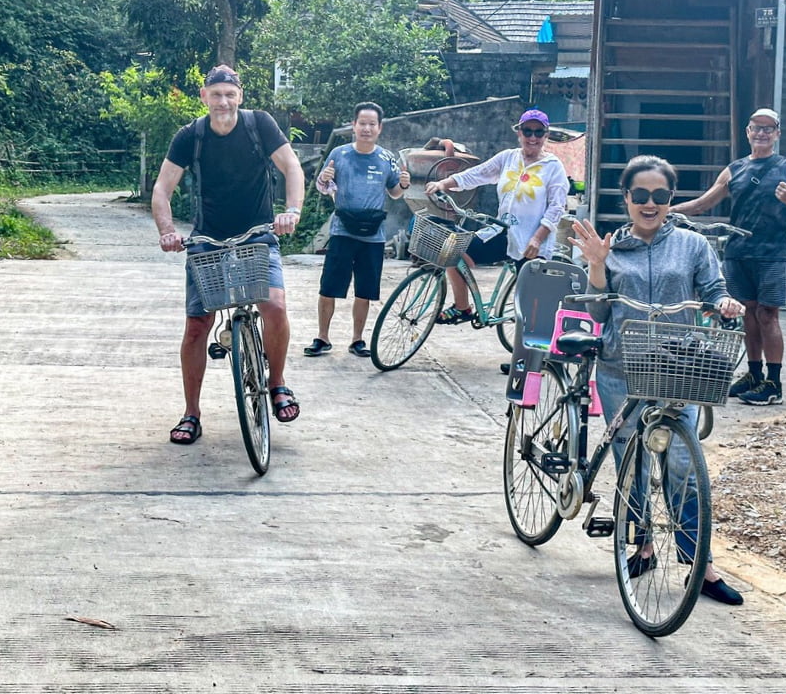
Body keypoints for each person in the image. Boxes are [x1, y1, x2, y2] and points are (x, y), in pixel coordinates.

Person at [570, 155, 746, 606]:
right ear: (626, 198)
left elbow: (714, 290)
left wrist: (725, 304)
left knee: (683, 466)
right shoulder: (610, 248)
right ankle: (642, 545)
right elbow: (596, 313)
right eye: (641, 195)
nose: (651, 204)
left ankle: (700, 564)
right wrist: (596, 266)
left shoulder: (691, 245)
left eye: (660, 196)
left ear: (671, 198)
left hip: (677, 366)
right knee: (632, 460)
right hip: (620, 369)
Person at [152, 65, 305, 444]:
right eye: (216, 94)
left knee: (275, 306)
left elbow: (291, 167)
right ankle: (191, 412)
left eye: (229, 94)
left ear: (240, 96)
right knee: (197, 326)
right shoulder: (191, 136)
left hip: (257, 235)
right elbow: (162, 188)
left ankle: (278, 382)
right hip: (208, 239)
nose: (223, 101)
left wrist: (293, 211)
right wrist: (168, 232)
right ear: (204, 97)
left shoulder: (260, 125)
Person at [670, 108, 786, 406]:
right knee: (747, 314)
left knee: (768, 315)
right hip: (738, 253)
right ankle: (754, 374)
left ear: (777, 134)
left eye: (768, 128)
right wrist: (666, 211)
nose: (762, 133)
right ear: (748, 132)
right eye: (756, 128)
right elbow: (702, 204)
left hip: (771, 254)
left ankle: (774, 383)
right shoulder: (734, 169)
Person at [423, 109, 568, 324]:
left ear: (546, 136)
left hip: (532, 241)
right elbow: (477, 173)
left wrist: (537, 238)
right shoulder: (508, 158)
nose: (533, 138)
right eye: (527, 131)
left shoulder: (553, 167)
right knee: (452, 250)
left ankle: (533, 357)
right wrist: (444, 183)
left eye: (539, 132)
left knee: (531, 309)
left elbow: (557, 207)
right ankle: (462, 307)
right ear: (519, 133)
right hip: (502, 231)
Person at [304, 102, 409, 359]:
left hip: (373, 236)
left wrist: (404, 185)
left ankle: (357, 340)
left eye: (372, 124)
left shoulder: (386, 158)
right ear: (354, 125)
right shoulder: (339, 154)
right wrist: (325, 180)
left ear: (379, 128)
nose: (366, 128)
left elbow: (394, 192)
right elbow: (323, 187)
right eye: (362, 123)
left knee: (365, 290)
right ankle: (322, 337)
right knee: (328, 287)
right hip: (342, 231)